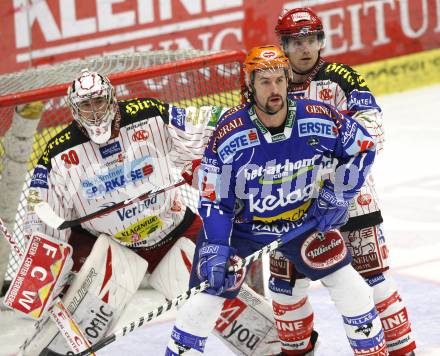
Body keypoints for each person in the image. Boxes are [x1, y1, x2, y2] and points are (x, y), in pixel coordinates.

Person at [18, 70, 279, 355]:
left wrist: (249, 122)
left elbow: (205, 125)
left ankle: (276, 347)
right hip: (115, 246)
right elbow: (42, 221)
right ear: (74, 109)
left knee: (222, 295)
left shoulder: (150, 114)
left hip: (173, 230)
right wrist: (46, 278)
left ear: (111, 99)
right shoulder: (58, 156)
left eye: (99, 102)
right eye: (86, 106)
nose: (94, 113)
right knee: (82, 315)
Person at [166, 45, 388, 356]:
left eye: (280, 80)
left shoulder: (318, 118)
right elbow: (215, 200)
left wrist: (338, 192)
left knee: (356, 293)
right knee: (202, 304)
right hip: (244, 229)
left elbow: (364, 147)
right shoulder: (231, 134)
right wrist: (216, 245)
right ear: (250, 85)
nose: (275, 89)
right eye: (265, 82)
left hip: (302, 222)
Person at [272, 7, 416, 355]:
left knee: (374, 280)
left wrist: (335, 183)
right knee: (284, 288)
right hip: (289, 206)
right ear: (284, 45)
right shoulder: (270, 81)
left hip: (350, 200)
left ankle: (401, 350)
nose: (305, 49)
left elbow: (373, 133)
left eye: (311, 40)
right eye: (296, 42)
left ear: (320, 41)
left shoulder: (341, 78)